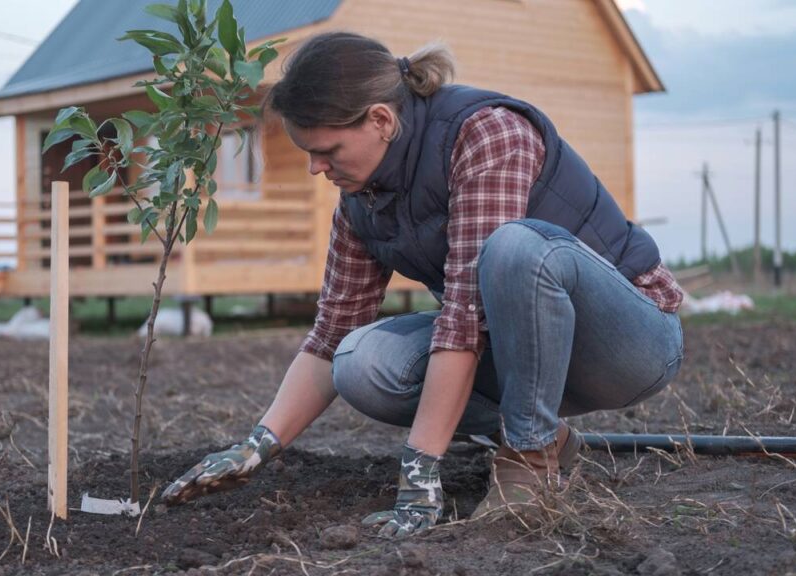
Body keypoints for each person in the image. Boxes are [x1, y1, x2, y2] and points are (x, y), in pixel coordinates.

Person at [161, 32, 684, 538]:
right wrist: (257, 446)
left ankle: (528, 458)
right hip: (528, 354)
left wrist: (418, 474)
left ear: (382, 120)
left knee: (514, 248)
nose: (315, 168)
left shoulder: (486, 133)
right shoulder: (360, 203)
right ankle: (550, 437)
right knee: (360, 364)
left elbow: (466, 313)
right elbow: (330, 333)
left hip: (629, 345)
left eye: (327, 150)